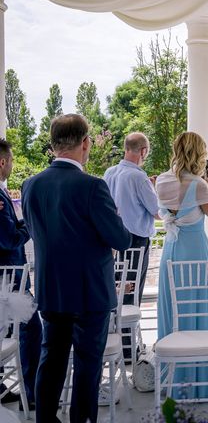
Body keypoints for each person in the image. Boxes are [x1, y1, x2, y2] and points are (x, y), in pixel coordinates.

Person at [21, 114, 131, 423]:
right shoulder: (92, 187)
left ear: (53, 145)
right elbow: (120, 239)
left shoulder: (30, 186)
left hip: (51, 290)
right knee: (87, 366)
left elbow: (34, 230)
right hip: (89, 292)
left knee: (51, 360)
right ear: (85, 144)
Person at [155, 131, 208, 399]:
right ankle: (204, 379)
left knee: (176, 310)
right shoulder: (199, 185)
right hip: (195, 253)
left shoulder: (162, 182)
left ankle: (176, 379)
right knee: (203, 308)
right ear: (198, 154)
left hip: (171, 253)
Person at [0, 139, 41, 411]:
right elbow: (9, 238)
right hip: (9, 275)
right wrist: (28, 223)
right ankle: (32, 390)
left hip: (7, 273)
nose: (13, 165)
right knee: (31, 328)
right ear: (2, 162)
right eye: (12, 160)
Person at [104, 132, 160, 306]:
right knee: (131, 292)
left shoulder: (109, 173)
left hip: (110, 239)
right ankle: (128, 331)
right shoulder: (139, 177)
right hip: (135, 241)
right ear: (143, 151)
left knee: (114, 288)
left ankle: (115, 328)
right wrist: (154, 189)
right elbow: (157, 211)